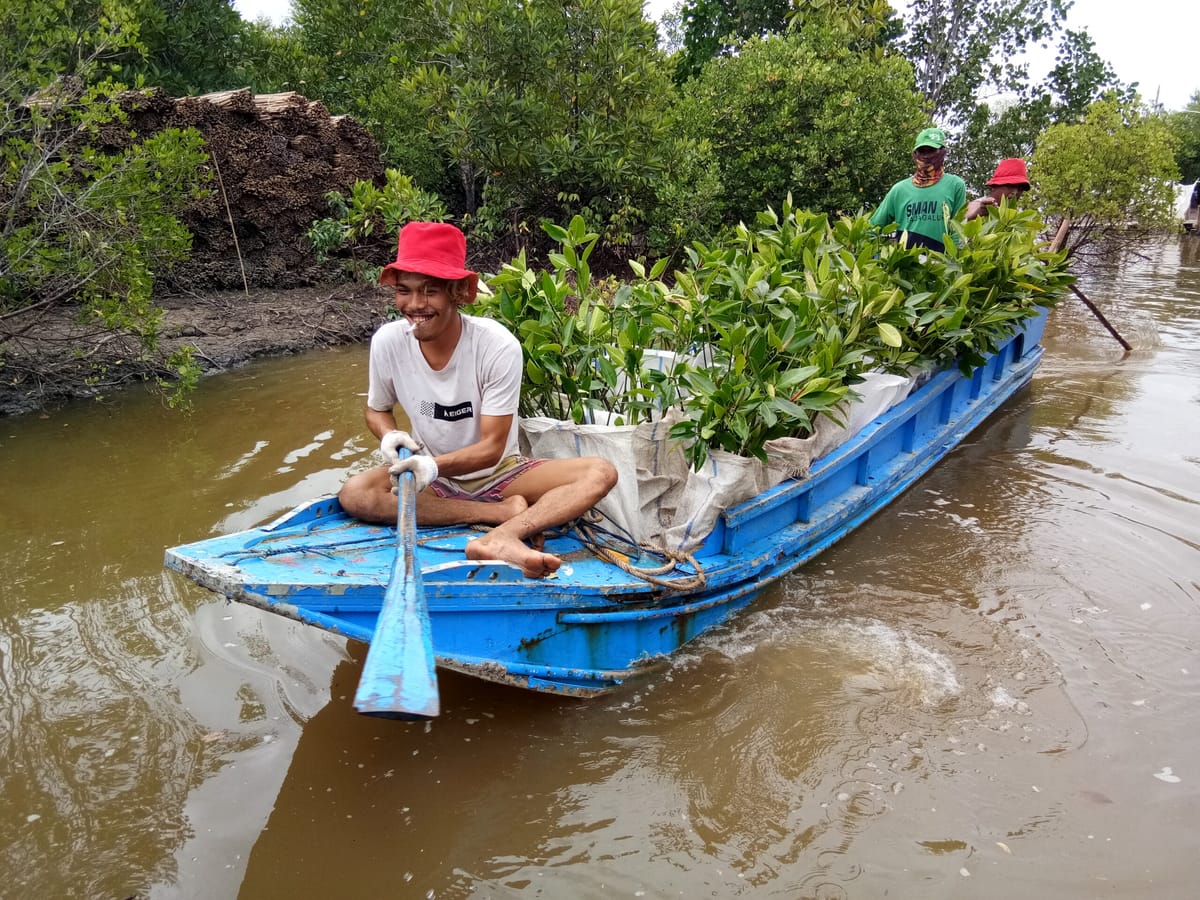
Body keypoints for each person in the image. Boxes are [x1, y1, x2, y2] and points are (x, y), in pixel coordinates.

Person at [338, 221, 618, 578]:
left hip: (500, 472)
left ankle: (504, 536)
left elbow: (491, 447)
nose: (414, 305)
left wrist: (434, 466)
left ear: (457, 293)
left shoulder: (496, 346)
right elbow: (377, 409)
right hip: (433, 478)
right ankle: (495, 514)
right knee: (355, 493)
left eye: (430, 292)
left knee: (600, 472)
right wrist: (390, 436)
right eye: (404, 291)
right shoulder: (388, 341)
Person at [870, 127, 967, 253]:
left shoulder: (955, 185)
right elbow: (873, 228)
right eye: (922, 151)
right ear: (915, 154)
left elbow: (958, 229)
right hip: (907, 265)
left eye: (931, 151)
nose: (926, 156)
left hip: (941, 265)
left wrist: (953, 262)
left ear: (942, 152)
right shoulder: (899, 190)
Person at [965, 158, 1032, 221]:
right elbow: (959, 220)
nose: (1015, 192)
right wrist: (978, 212)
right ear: (994, 186)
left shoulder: (1014, 219)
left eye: (1020, 189)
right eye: (1010, 186)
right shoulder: (977, 205)